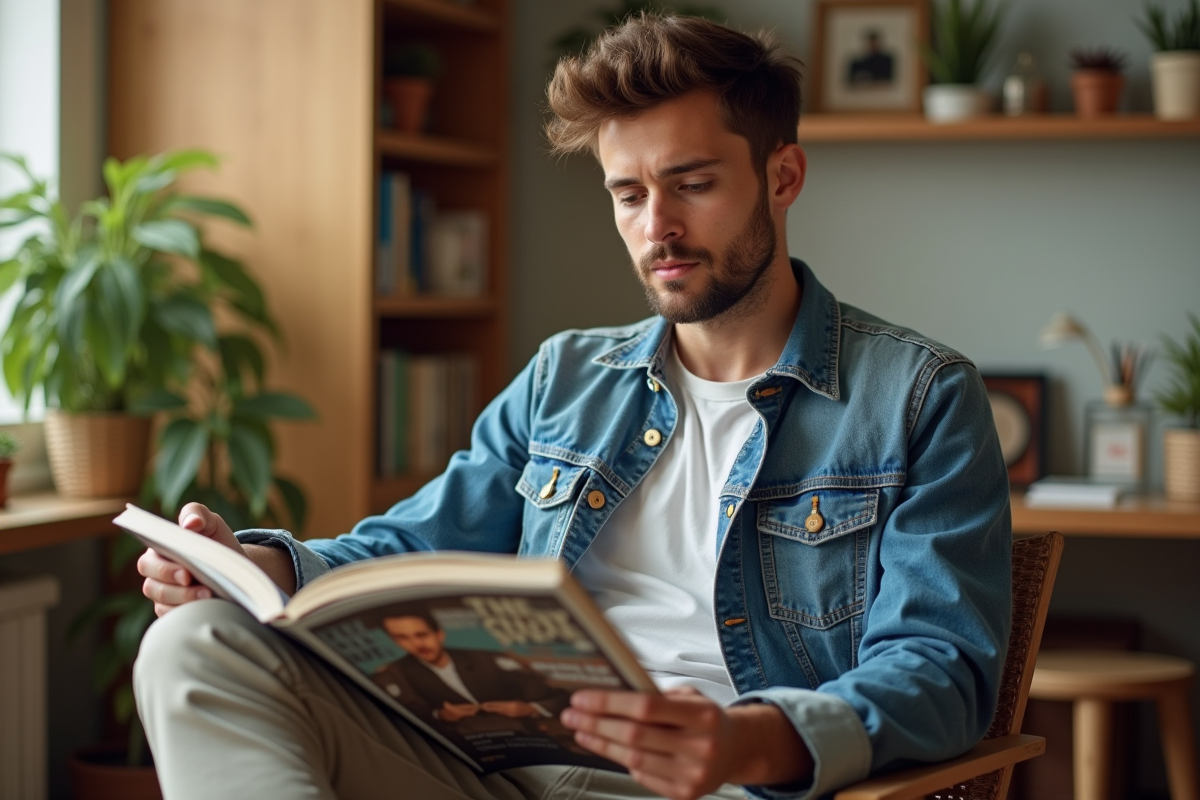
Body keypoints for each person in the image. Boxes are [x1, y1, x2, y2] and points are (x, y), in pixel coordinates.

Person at [134, 13, 1011, 800]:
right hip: (506, 768)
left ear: (782, 176)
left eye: (692, 184)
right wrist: (256, 568)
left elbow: (941, 672)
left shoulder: (918, 398)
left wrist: (746, 742)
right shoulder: (567, 375)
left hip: (728, 781)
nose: (656, 227)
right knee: (194, 644)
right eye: (629, 195)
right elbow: (415, 547)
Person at [373, 612, 571, 735]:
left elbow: (558, 697)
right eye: (403, 638)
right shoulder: (396, 673)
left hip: (528, 734)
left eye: (421, 635)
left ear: (439, 634)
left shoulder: (486, 659)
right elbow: (407, 717)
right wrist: (440, 715)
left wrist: (530, 708)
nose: (417, 644)